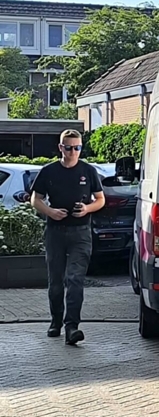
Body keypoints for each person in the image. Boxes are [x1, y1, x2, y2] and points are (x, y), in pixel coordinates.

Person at [30, 130, 104, 345]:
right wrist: (50, 211)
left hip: (81, 233)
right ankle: (56, 321)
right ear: (60, 148)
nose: (73, 152)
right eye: (69, 147)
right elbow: (35, 198)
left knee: (75, 279)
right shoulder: (49, 171)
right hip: (55, 232)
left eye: (77, 148)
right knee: (56, 281)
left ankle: (72, 326)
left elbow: (100, 199)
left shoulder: (88, 171)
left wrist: (87, 208)